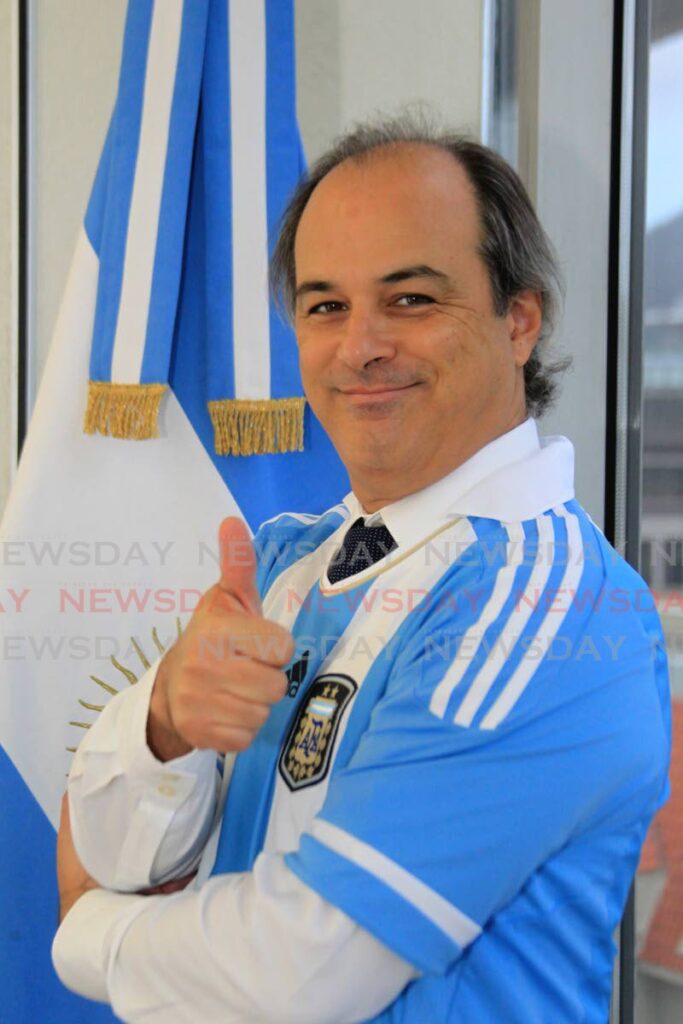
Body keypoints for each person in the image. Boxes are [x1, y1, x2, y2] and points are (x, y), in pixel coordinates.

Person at [52, 119, 671, 1023]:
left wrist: (84, 934)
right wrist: (165, 718)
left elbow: (304, 973)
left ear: (519, 320)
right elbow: (112, 852)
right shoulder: (287, 560)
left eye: (411, 300)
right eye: (324, 306)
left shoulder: (550, 605)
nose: (360, 345)